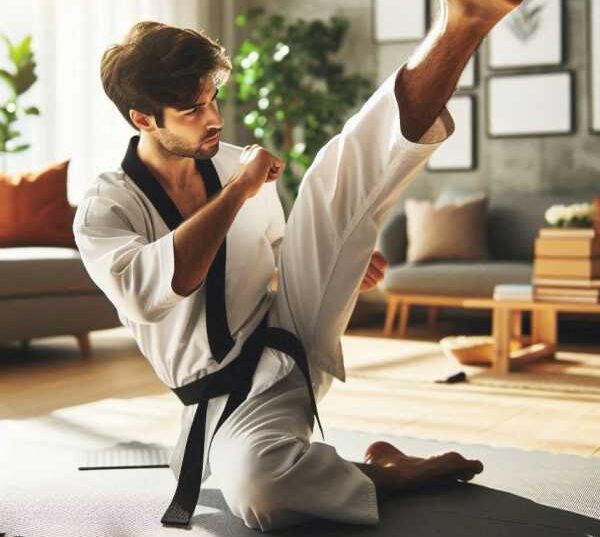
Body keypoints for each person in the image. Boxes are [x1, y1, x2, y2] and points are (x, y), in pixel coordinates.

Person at [73, 0, 523, 531]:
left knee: (334, 178)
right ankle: (385, 472)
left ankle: (463, 22)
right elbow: (150, 293)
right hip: (223, 397)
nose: (214, 117)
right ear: (143, 119)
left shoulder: (234, 162)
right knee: (259, 490)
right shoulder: (106, 210)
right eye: (193, 110)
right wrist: (240, 189)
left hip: (288, 330)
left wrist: (344, 259)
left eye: (212, 98)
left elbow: (282, 254)